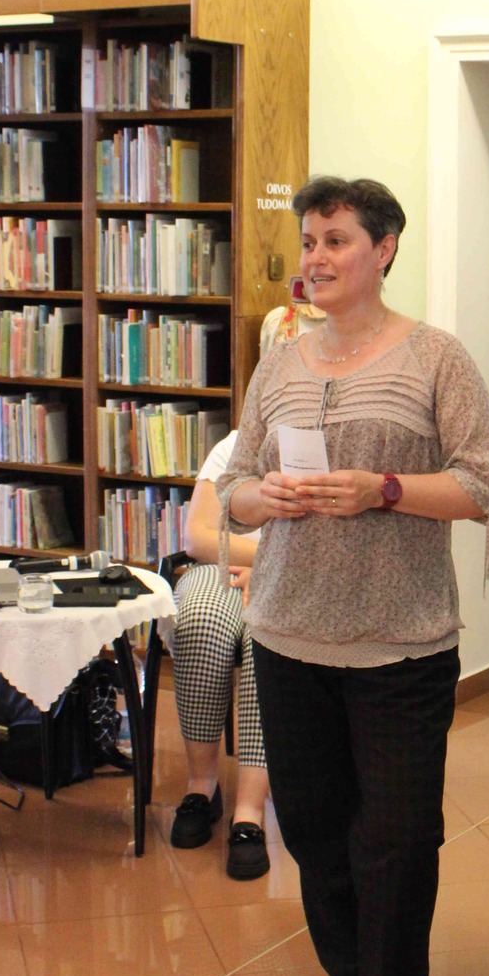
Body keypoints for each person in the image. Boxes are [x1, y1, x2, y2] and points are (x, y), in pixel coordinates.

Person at [218, 175, 489, 976]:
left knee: (399, 837)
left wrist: (382, 490)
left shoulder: (436, 358)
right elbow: (234, 487)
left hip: (400, 644)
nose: (316, 258)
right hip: (287, 637)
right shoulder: (280, 364)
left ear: (382, 250)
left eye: (335, 240)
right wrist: (265, 497)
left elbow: (484, 485)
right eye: (309, 241)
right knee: (314, 830)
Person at [167, 300, 321, 877]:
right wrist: (263, 556)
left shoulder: (326, 449)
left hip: (294, 582)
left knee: (267, 637)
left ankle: (250, 810)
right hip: (222, 570)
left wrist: (273, 568)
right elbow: (199, 536)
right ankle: (200, 786)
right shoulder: (233, 445)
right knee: (200, 621)